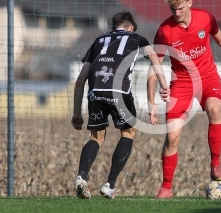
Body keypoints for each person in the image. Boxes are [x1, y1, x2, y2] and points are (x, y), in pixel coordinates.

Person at [147, 0, 221, 199]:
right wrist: (151, 102)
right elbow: (154, 66)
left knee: (215, 110)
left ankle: (215, 165)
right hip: (182, 83)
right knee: (172, 136)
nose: (177, 13)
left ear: (190, 2)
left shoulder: (205, 18)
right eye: (173, 9)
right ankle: (166, 187)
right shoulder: (165, 31)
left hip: (207, 77)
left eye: (181, 8)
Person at [72, 12, 170, 199]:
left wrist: (76, 113)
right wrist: (164, 86)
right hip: (119, 92)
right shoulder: (138, 39)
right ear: (131, 27)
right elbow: (155, 60)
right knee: (128, 133)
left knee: (96, 137)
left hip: (96, 93)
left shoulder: (99, 40)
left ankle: (81, 178)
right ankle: (109, 185)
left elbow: (80, 80)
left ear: (114, 27)